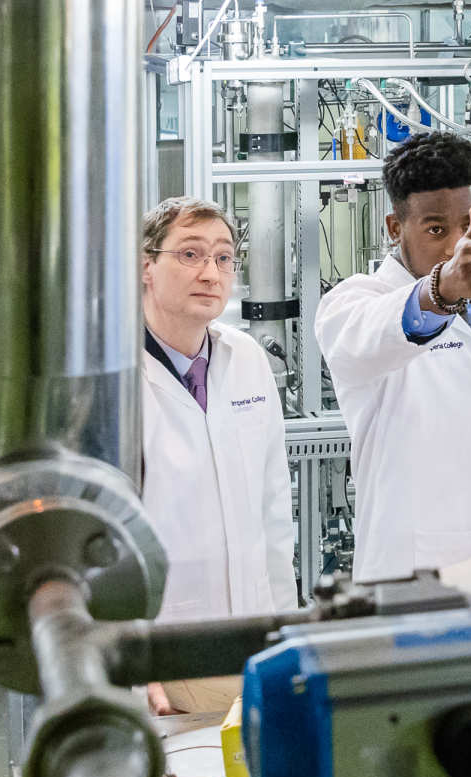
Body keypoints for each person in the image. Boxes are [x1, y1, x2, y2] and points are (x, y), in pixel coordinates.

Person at [316, 131, 471, 583]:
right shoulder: (355, 304)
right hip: (417, 572)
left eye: (467, 226)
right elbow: (375, 335)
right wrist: (443, 290)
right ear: (394, 228)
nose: (455, 246)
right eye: (435, 229)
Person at [136, 197, 298, 715]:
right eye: (190, 254)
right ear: (145, 265)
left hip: (251, 639)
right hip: (160, 653)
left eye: (224, 258)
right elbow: (94, 545)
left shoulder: (245, 357)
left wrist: (286, 630)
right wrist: (130, 667)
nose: (211, 273)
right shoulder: (112, 379)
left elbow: (274, 510)